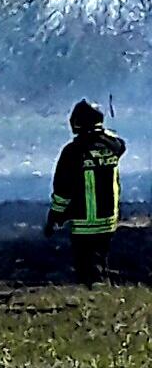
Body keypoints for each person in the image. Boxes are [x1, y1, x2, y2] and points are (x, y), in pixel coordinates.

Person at [44, 100, 126, 285]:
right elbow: (120, 144)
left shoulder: (72, 152)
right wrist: (101, 133)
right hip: (108, 220)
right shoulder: (112, 147)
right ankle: (102, 290)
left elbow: (62, 190)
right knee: (101, 259)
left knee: (85, 267)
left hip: (84, 223)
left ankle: (93, 293)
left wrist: (54, 217)